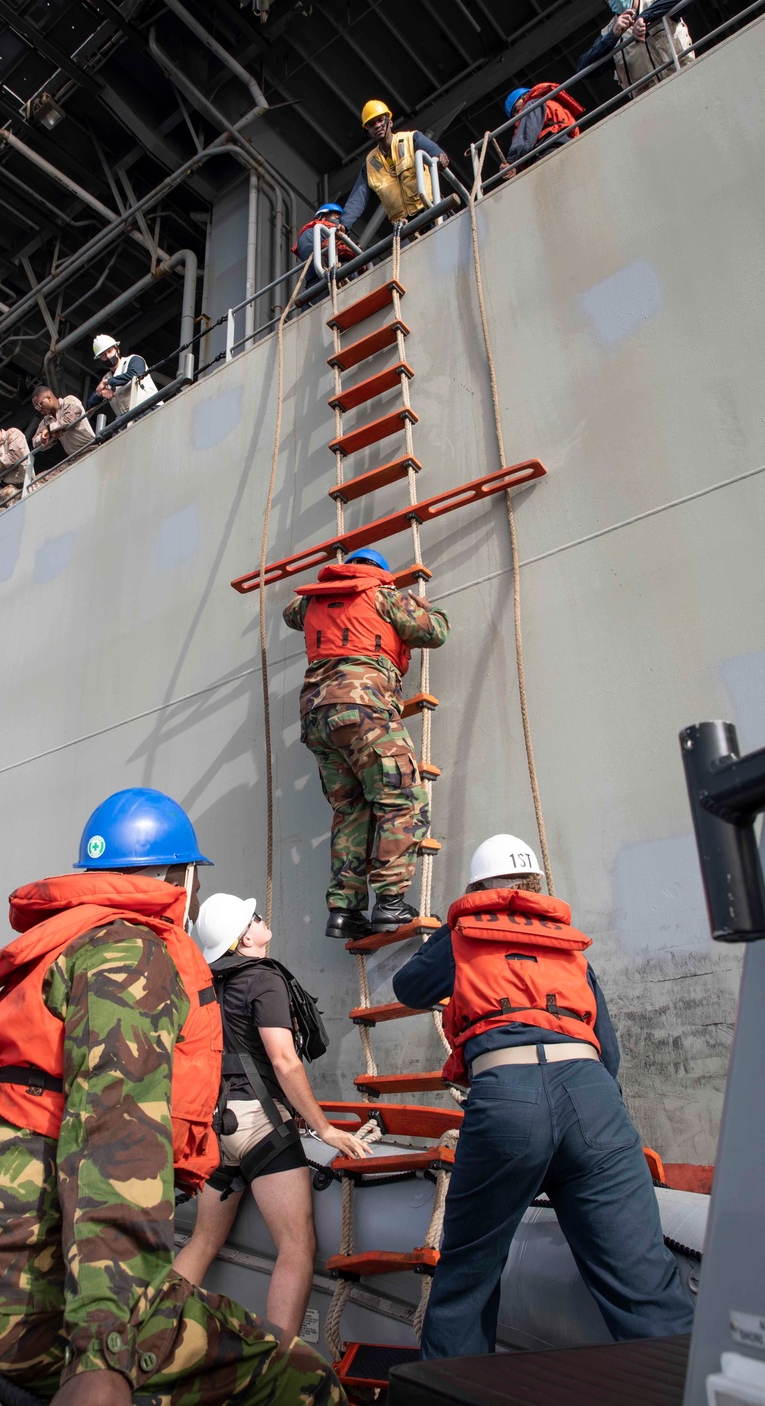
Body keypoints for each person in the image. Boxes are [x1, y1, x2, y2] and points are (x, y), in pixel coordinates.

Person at [0, 789, 344, 1406]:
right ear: (180, 878)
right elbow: (116, 1139)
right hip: (12, 1300)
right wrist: (104, 1350)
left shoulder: (61, 947)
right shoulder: (133, 954)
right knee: (308, 1384)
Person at [392, 833, 695, 1361]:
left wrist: (452, 930)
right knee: (643, 1282)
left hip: (507, 1100)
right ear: (535, 884)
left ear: (477, 887)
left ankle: (449, 1392)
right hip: (592, 1097)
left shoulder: (463, 933)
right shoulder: (568, 941)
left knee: (468, 1278)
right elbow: (607, 1041)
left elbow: (409, 987)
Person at [174, 893, 372, 1336]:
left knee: (203, 1241)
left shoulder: (202, 983)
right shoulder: (264, 979)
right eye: (256, 917)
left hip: (214, 1125)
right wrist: (323, 1129)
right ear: (245, 937)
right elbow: (284, 1060)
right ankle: (278, 1367)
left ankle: (151, 1334)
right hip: (260, 1123)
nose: (264, 919)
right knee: (297, 1246)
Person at [282, 547, 449, 939]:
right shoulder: (384, 596)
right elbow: (436, 631)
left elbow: (292, 613)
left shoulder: (308, 604)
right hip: (363, 708)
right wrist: (419, 603)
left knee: (351, 808)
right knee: (402, 799)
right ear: (380, 573)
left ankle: (344, 910)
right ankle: (390, 903)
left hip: (316, 717)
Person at [576, 0, 694, 95]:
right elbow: (583, 69)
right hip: (649, 101)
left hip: (685, 79)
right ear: (605, 1)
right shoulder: (609, 33)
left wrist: (645, 17)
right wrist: (612, 37)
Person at [338, 100, 450, 236]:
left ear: (389, 122)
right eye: (371, 124)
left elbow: (435, 153)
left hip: (430, 209)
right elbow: (358, 199)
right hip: (404, 227)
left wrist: (440, 158)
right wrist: (344, 224)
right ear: (367, 131)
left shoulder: (412, 139)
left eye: (380, 120)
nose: (377, 125)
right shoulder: (369, 166)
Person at [499, 83, 584, 179]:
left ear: (524, 98)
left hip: (548, 152)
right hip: (566, 148)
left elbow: (527, 135)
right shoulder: (548, 104)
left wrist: (512, 161)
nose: (517, 116)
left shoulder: (532, 104)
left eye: (517, 109)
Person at [88, 333, 156, 425]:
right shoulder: (107, 378)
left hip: (149, 409)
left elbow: (135, 374)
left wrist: (107, 382)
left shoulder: (133, 360)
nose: (108, 356)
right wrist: (100, 393)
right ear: (100, 359)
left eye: (109, 351)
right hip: (128, 421)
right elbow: (91, 405)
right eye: (103, 355)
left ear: (117, 350)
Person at [293, 203, 356, 286]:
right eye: (337, 218)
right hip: (322, 284)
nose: (339, 223)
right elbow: (309, 251)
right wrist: (330, 273)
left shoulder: (346, 240)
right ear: (323, 218)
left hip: (351, 283)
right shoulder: (312, 233)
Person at [30, 385, 96, 461]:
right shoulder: (46, 421)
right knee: (50, 473)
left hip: (91, 448)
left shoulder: (69, 400)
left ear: (49, 398)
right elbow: (34, 442)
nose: (39, 409)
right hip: (74, 458)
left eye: (39, 405)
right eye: (36, 408)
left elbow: (69, 419)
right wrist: (43, 437)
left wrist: (49, 430)